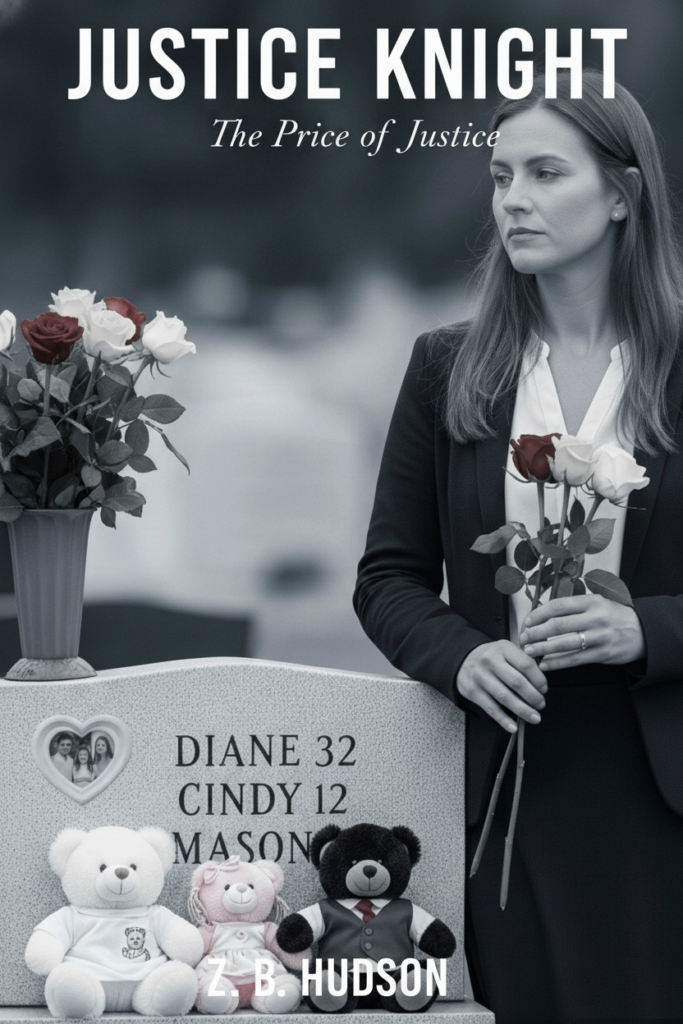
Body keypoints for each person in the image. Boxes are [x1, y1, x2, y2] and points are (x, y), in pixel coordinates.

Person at [354, 69, 683, 1023]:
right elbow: (389, 578)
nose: (514, 201)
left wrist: (645, 633)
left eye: (545, 173)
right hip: (501, 782)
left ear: (621, 195)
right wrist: (462, 656)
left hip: (659, 783)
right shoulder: (448, 366)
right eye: (501, 178)